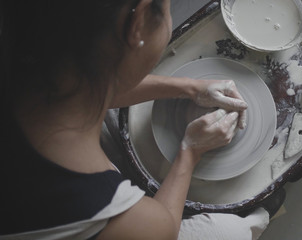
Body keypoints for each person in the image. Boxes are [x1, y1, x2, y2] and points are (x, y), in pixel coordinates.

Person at [0, 0, 284, 239]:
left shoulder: (29, 47)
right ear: (138, 23)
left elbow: (92, 90)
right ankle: (257, 216)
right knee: (226, 232)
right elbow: (163, 227)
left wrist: (191, 87)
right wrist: (190, 150)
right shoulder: (91, 208)